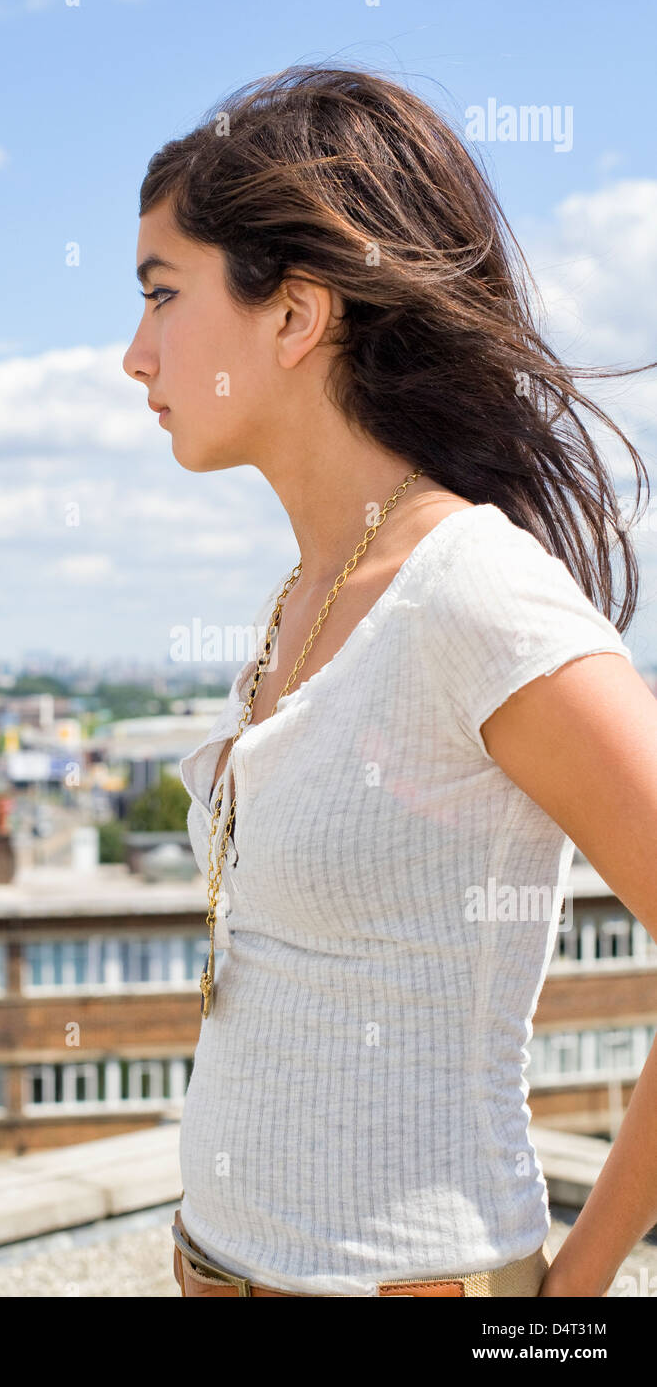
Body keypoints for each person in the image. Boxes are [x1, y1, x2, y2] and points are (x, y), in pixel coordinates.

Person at [123, 63, 657, 1299]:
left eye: (160, 296)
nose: (133, 354)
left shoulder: (468, 588)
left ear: (294, 314)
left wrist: (569, 1293)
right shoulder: (300, 596)